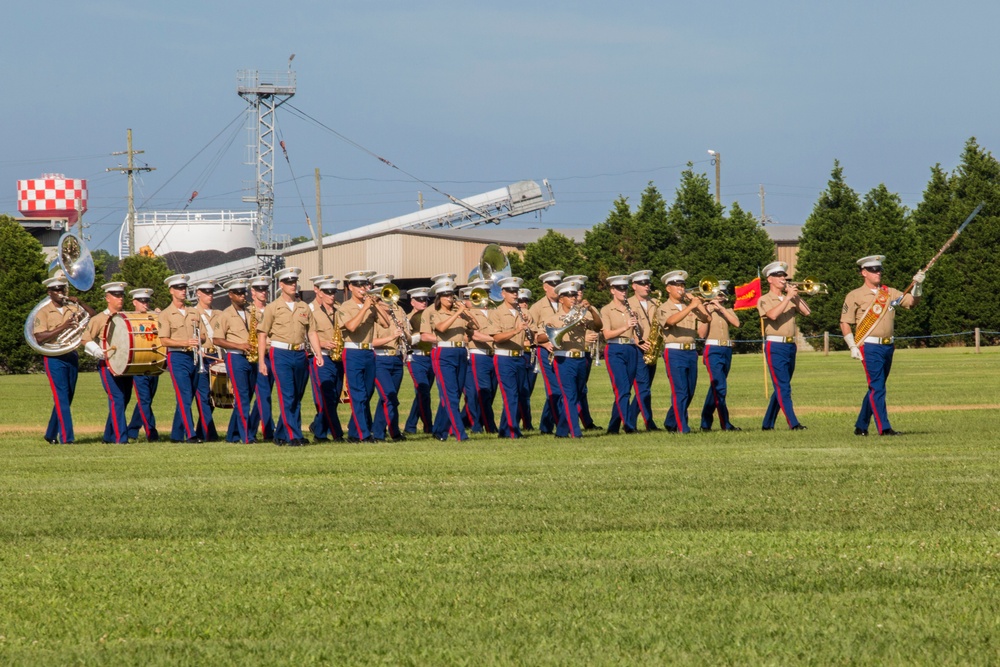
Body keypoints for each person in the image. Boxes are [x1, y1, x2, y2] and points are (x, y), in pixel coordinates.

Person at [840, 255, 925, 436]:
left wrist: (917, 285)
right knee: (878, 387)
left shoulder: (889, 292)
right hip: (869, 346)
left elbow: (911, 303)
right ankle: (884, 428)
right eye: (873, 270)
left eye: (879, 269)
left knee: (875, 387)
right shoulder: (854, 295)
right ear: (864, 273)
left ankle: (861, 426)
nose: (877, 272)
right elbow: (845, 322)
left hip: (888, 346)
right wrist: (852, 346)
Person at [256, 267, 323, 446]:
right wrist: (262, 361)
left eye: (294, 282)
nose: (293, 285)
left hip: (300, 353)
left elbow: (312, 332)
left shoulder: (304, 307)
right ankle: (294, 435)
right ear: (281, 284)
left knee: (297, 395)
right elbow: (262, 334)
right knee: (288, 395)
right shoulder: (272, 308)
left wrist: (318, 353)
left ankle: (280, 434)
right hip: (281, 353)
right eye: (289, 282)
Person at [536, 280, 602, 438]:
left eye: (574, 294)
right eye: (569, 295)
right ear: (561, 299)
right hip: (563, 360)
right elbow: (539, 338)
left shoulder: (581, 314)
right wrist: (557, 332)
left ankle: (561, 431)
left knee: (577, 395)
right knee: (569, 396)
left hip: (580, 359)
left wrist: (592, 309)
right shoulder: (554, 318)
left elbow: (598, 326)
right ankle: (575, 432)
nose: (573, 298)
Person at [34, 275, 95, 444]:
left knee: (67, 397)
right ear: (50, 292)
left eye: (62, 289)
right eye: (56, 290)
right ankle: (68, 438)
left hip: (71, 355)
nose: (60, 292)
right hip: (53, 357)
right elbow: (39, 338)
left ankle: (51, 434)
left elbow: (93, 316)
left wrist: (81, 303)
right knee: (61, 396)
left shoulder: (72, 307)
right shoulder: (43, 312)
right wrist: (63, 327)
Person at [337, 270, 393, 443]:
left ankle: (354, 432)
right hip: (353, 351)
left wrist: (376, 304)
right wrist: (366, 308)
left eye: (365, 284)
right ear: (350, 287)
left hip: (369, 352)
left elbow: (386, 323)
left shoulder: (370, 304)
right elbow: (351, 327)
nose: (364, 288)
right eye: (359, 285)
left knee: (367, 393)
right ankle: (363, 434)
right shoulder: (345, 307)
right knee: (358, 394)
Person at [758, 261, 810, 431]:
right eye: (779, 276)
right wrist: (787, 298)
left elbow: (807, 312)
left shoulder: (790, 297)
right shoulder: (764, 299)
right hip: (775, 346)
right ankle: (793, 423)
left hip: (789, 346)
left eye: (783, 275)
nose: (783, 278)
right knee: (783, 387)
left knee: (782, 386)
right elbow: (772, 315)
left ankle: (767, 423)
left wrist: (794, 296)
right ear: (770, 279)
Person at [656, 270, 710, 434]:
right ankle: (682, 427)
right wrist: (691, 306)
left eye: (682, 285)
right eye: (677, 285)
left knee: (690, 391)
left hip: (691, 351)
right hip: (674, 352)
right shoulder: (663, 308)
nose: (681, 288)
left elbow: (707, 318)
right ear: (668, 288)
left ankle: (671, 421)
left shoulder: (690, 305)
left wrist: (697, 303)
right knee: (680, 391)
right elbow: (670, 322)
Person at [423, 278, 475, 442]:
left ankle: (440, 430)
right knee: (450, 395)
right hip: (444, 351)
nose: (450, 298)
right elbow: (441, 328)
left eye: (451, 295)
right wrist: (458, 313)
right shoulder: (434, 312)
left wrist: (466, 312)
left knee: (455, 393)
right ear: (439, 297)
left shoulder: (457, 310)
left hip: (460, 351)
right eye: (446, 296)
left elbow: (476, 326)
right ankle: (460, 433)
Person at [82, 281, 134, 443]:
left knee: (124, 398)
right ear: (107, 298)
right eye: (116, 295)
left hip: (126, 364)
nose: (120, 299)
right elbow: (85, 338)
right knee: (117, 398)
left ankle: (108, 435)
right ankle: (121, 438)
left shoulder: (126, 317)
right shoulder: (99, 318)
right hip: (108, 364)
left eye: (121, 295)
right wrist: (97, 350)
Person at [159, 274, 206, 443]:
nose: (183, 291)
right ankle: (190, 434)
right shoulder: (166, 314)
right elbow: (164, 340)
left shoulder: (194, 312)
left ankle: (176, 434)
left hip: (193, 356)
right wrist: (185, 342)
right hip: (177, 356)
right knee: (185, 395)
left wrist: (198, 340)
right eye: (179, 288)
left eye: (184, 288)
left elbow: (204, 336)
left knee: (188, 395)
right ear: (171, 291)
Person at [484, 276, 531, 439]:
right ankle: (513, 431)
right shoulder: (497, 313)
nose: (514, 294)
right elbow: (496, 338)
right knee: (511, 395)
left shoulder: (524, 312)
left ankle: (505, 430)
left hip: (520, 356)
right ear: (503, 293)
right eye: (511, 291)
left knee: (517, 395)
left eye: (516, 291)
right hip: (504, 357)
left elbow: (532, 335)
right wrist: (516, 330)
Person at [212, 279, 258, 443]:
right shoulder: (225, 314)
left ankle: (232, 434)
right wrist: (239, 345)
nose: (242, 295)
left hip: (252, 357)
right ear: (230, 295)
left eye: (243, 292)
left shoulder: (250, 312)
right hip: (236, 356)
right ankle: (247, 436)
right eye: (238, 293)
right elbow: (217, 339)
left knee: (248, 396)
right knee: (242, 397)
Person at [601, 275, 646, 434]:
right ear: (613, 290)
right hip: (615, 349)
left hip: (631, 349)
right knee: (622, 389)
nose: (623, 292)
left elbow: (637, 333)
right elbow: (607, 335)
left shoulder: (631, 309)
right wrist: (626, 326)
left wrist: (637, 323)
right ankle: (629, 426)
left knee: (625, 389)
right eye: (620, 289)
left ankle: (613, 427)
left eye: (625, 288)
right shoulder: (606, 310)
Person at [698, 281, 742, 431]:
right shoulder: (704, 310)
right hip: (712, 349)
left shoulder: (727, 309)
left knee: (716, 387)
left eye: (723, 294)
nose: (721, 297)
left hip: (726, 349)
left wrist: (721, 308)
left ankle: (705, 421)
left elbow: (736, 323)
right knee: (720, 387)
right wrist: (708, 311)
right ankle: (726, 423)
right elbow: (701, 334)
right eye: (718, 294)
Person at [370, 274, 409, 442]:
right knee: (389, 396)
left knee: (389, 398)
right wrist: (391, 337)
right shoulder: (372, 312)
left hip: (397, 359)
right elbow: (371, 341)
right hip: (380, 359)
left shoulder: (398, 310)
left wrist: (403, 331)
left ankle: (391, 431)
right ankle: (380, 433)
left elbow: (408, 335)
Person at [307, 277, 346, 442]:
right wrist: (321, 343)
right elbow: (304, 337)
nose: (332, 295)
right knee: (326, 396)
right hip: (321, 357)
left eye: (334, 292)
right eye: (328, 292)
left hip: (338, 357)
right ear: (320, 293)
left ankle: (318, 427)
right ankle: (335, 434)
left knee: (335, 396)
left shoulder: (340, 311)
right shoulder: (312, 312)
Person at [528, 270, 564, 434]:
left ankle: (545, 425)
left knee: (562, 390)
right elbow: (530, 334)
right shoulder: (537, 307)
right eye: (553, 285)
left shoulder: (566, 303)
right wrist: (543, 344)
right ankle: (560, 425)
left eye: (558, 284)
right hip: (546, 352)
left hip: (563, 352)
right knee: (554, 390)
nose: (556, 288)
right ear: (545, 287)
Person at [563, 275, 600, 431]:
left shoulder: (588, 308)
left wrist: (590, 309)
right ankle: (562, 422)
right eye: (575, 291)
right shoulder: (565, 311)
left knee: (582, 389)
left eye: (581, 290)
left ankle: (585, 421)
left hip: (585, 354)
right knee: (569, 392)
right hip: (569, 353)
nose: (579, 294)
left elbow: (598, 326)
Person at [627, 270, 661, 431]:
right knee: (643, 389)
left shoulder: (655, 303)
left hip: (652, 349)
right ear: (634, 286)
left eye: (648, 283)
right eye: (642, 283)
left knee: (645, 389)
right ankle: (644, 422)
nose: (647, 286)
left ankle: (632, 421)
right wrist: (636, 340)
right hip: (637, 350)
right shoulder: (627, 303)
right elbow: (626, 327)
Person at [462, 279, 498, 434]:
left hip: (494, 354)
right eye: (482, 294)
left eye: (488, 293)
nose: (486, 297)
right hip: (478, 355)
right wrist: (497, 338)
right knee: (482, 391)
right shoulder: (469, 314)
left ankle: (477, 422)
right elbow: (474, 335)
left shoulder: (494, 312)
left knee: (491, 392)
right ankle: (484, 425)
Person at [126, 287, 160, 442]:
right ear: (134, 302)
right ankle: (151, 432)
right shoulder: (129, 318)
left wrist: (161, 315)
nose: (145, 304)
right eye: (141, 301)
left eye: (147, 301)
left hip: (154, 363)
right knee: (144, 400)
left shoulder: (155, 317)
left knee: (146, 400)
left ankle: (132, 430)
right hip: (138, 364)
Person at [404, 287, 436, 435]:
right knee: (423, 392)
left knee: (423, 393)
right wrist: (420, 336)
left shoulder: (431, 316)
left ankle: (411, 425)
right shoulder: (407, 318)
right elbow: (406, 340)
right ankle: (429, 426)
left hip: (431, 356)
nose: (424, 303)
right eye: (420, 300)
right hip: (416, 357)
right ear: (412, 302)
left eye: (426, 300)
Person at [191, 279, 220, 441]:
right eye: (206, 292)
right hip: (201, 356)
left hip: (216, 356)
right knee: (203, 395)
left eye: (211, 292)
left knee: (214, 396)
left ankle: (202, 430)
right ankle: (210, 433)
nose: (210, 295)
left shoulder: (219, 313)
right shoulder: (192, 312)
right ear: (198, 294)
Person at [247, 275, 274, 441]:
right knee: (264, 395)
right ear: (253, 292)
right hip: (258, 356)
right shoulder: (249, 311)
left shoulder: (272, 309)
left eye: (265, 289)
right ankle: (269, 431)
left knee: (264, 395)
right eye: (259, 290)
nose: (263, 292)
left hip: (273, 354)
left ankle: (250, 429)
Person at [516, 288, 535, 432]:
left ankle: (527, 422)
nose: (523, 304)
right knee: (520, 391)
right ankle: (523, 422)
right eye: (520, 301)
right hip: (520, 354)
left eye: (525, 301)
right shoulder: (514, 317)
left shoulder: (531, 317)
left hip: (531, 356)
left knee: (528, 392)